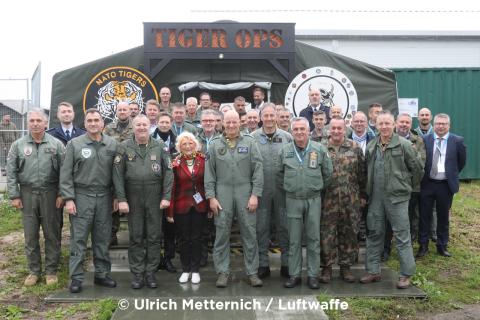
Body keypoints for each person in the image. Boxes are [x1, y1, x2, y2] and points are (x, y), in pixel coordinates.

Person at [360, 111, 422, 289]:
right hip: (376, 198)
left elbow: (417, 169)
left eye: (387, 123)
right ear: (376, 126)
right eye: (381, 124)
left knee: (402, 236)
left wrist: (405, 187)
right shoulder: (372, 146)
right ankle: (373, 271)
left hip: (398, 198)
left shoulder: (404, 145)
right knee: (374, 233)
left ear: (394, 124)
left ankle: (406, 274)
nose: (384, 127)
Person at [60, 108, 118, 293]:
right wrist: (69, 199)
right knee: (79, 239)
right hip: (81, 196)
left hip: (104, 197)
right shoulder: (74, 144)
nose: (93, 123)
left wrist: (117, 196)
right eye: (90, 120)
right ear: (84, 123)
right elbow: (65, 174)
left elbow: (117, 174)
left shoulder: (112, 144)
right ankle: (76, 278)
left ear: (103, 123)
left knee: (102, 238)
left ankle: (101, 274)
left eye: (96, 120)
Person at [205, 110, 264, 288]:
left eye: (234, 122)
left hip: (245, 192)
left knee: (249, 233)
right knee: (221, 233)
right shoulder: (214, 144)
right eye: (228, 122)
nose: (231, 125)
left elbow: (258, 169)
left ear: (240, 123)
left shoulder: (251, 142)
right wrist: (211, 197)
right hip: (222, 192)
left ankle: (252, 272)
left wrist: (255, 194)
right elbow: (209, 174)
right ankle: (223, 272)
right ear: (223, 123)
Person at [112, 114, 173, 289]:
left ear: (149, 126)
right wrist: (121, 199)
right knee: (136, 236)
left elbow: (169, 173)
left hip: (155, 196)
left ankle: (151, 272)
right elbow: (117, 175)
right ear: (133, 126)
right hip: (133, 195)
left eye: (144, 125)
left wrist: (166, 196)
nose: (141, 128)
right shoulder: (124, 147)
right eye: (137, 124)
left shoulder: (160, 146)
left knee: (154, 236)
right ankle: (138, 273)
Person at [6, 109, 65, 286]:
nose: (35, 123)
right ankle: (34, 271)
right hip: (27, 194)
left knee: (52, 233)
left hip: (51, 193)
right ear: (28, 123)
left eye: (39, 120)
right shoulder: (18, 145)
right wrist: (14, 195)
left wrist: (63, 193)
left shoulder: (56, 145)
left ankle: (51, 271)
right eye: (32, 120)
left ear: (46, 123)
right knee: (30, 235)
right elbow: (11, 172)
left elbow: (66, 171)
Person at [277, 117, 333, 289]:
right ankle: (295, 275)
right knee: (294, 239)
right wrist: (291, 187)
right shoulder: (285, 150)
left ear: (309, 131)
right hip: (293, 199)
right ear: (292, 132)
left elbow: (328, 174)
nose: (299, 132)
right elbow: (279, 175)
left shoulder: (319, 149)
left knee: (313, 238)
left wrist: (316, 187)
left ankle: (312, 275)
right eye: (296, 129)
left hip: (313, 199)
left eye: (303, 129)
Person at [319, 117, 366, 283]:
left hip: (350, 199)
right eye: (334, 128)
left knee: (349, 233)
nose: (337, 131)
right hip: (327, 199)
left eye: (340, 128)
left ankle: (346, 267)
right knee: (327, 234)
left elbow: (362, 174)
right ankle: (327, 267)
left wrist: (362, 196)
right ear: (329, 130)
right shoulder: (320, 147)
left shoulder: (355, 148)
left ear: (345, 129)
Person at [251, 104, 292, 279]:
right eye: (265, 115)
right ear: (260, 118)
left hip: (282, 190)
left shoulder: (287, 137)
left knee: (285, 227)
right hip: (261, 191)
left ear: (276, 117)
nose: (268, 118)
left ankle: (287, 264)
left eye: (271, 115)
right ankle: (263, 264)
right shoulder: (252, 138)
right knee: (261, 228)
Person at [417, 113, 466, 259]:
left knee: (443, 216)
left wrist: (450, 175)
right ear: (434, 124)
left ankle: (442, 245)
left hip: (445, 185)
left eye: (444, 124)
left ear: (449, 125)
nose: (440, 126)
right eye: (438, 123)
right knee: (424, 216)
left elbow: (461, 162)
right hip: (427, 183)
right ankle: (423, 245)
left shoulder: (457, 141)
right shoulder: (425, 139)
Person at [383, 113, 426, 261]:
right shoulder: (388, 138)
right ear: (396, 123)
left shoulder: (418, 140)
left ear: (410, 124)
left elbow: (419, 167)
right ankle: (386, 248)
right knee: (389, 221)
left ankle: (407, 252)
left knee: (408, 219)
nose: (404, 125)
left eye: (407, 122)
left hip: (410, 189)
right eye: (401, 122)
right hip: (391, 189)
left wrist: (410, 184)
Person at [167, 132, 208, 284]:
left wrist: (210, 208)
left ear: (195, 145)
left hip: (200, 206)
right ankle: (185, 269)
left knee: (197, 238)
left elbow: (208, 185)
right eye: (184, 144)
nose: (188, 146)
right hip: (181, 206)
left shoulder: (203, 160)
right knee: (183, 239)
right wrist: (170, 211)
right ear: (179, 147)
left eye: (190, 143)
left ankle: (195, 270)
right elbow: (172, 188)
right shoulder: (176, 163)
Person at [103, 101, 135, 247]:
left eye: (125, 109)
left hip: (131, 169)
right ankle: (111, 235)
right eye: (120, 109)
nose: (122, 111)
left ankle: (135, 236)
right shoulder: (109, 128)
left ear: (130, 112)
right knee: (113, 204)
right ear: (116, 112)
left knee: (134, 204)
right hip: (112, 169)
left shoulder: (136, 127)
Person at [151, 112, 178, 273]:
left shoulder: (177, 141)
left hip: (172, 190)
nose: (164, 124)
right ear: (157, 123)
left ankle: (168, 259)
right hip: (153, 188)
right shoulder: (150, 140)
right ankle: (155, 259)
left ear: (171, 123)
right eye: (162, 122)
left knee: (170, 227)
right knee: (155, 227)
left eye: (167, 122)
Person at [348, 111, 375, 242]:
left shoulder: (374, 139)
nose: (359, 124)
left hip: (370, 183)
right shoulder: (345, 138)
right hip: (350, 184)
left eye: (362, 121)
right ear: (352, 123)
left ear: (366, 123)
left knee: (369, 212)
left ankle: (366, 235)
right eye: (356, 121)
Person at [414, 107, 436, 242]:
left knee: (432, 206)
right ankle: (416, 231)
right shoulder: (413, 133)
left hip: (432, 176)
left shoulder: (437, 132)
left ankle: (433, 232)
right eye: (422, 115)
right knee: (416, 206)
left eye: (427, 115)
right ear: (418, 117)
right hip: (417, 176)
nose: (424, 117)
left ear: (431, 117)